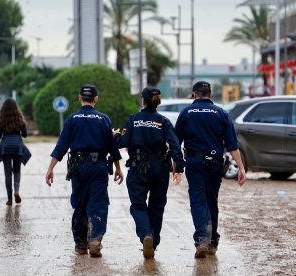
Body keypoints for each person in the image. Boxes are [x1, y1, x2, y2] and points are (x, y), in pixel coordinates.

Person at [45, 84, 124, 258]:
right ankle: (95, 240)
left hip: (78, 167)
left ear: (79, 98)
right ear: (96, 99)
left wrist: (50, 168)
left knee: (80, 204)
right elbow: (112, 147)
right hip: (98, 168)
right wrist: (118, 168)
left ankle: (81, 244)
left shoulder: (72, 119)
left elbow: (61, 146)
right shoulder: (104, 119)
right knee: (98, 203)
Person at [174, 81, 246, 258]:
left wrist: (176, 165)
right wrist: (241, 167)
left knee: (198, 200)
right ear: (210, 94)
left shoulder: (186, 112)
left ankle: (202, 239)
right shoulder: (221, 113)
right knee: (211, 201)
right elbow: (232, 145)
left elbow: (176, 142)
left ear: (194, 94)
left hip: (194, 161)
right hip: (214, 162)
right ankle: (212, 241)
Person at [113, 87, 185, 259]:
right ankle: (154, 242)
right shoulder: (163, 121)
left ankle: (146, 235)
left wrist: (114, 135)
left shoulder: (134, 119)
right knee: (157, 206)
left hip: (138, 168)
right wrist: (179, 167)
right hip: (160, 167)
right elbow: (175, 145)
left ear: (143, 101)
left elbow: (123, 142)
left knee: (138, 205)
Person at [0, 98, 31, 206]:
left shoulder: (1, 120)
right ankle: (16, 191)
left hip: (6, 148)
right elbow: (25, 135)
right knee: (17, 171)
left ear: (3, 109)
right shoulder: (20, 120)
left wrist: (1, 129)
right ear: (16, 109)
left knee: (7, 174)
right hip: (17, 147)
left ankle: (9, 199)